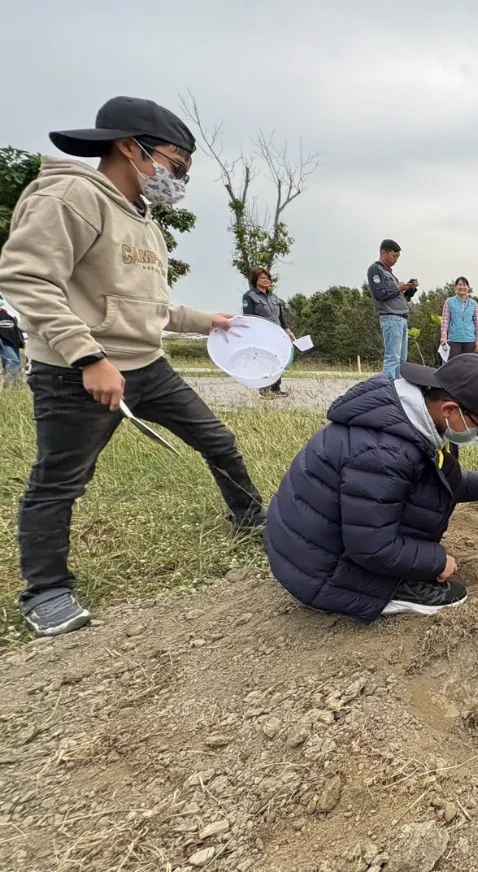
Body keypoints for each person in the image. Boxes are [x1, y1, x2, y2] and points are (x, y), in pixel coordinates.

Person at [0, 96, 266, 638]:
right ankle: (46, 590)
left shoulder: (146, 221)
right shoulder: (70, 195)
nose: (180, 177)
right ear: (129, 146)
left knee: (217, 440)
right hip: (77, 373)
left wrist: (205, 321)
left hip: (147, 366)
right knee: (60, 480)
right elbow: (27, 280)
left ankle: (250, 519)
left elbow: (147, 306)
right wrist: (88, 356)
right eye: (176, 163)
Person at [265, 354, 478, 621]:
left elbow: (441, 485)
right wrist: (434, 561)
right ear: (449, 409)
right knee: (451, 595)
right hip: (317, 572)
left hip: (311, 548)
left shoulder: (412, 421)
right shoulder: (384, 453)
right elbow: (371, 545)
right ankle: (389, 589)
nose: (475, 433)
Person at [241, 266, 294, 397]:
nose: (266, 280)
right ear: (255, 280)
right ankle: (265, 389)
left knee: (279, 361)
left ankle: (275, 388)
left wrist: (288, 330)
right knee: (266, 361)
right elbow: (249, 318)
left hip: (277, 334)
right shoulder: (249, 296)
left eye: (268, 278)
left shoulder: (274, 297)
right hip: (262, 335)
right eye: (262, 278)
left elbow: (281, 317)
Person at [368, 239, 418, 378]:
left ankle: (398, 388)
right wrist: (398, 288)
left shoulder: (390, 273)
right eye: (393, 256)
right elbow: (380, 294)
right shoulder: (376, 270)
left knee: (402, 360)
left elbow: (400, 298)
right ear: (383, 252)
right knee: (393, 358)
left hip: (401, 318)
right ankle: (388, 389)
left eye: (397, 257)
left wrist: (410, 289)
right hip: (390, 317)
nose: (396, 260)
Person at [440, 276, 478, 358]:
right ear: (456, 287)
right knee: (453, 366)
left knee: (469, 366)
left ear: (468, 287)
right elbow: (445, 321)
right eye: (459, 285)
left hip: (470, 340)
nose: (462, 287)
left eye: (464, 285)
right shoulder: (449, 302)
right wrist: (443, 337)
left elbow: (477, 323)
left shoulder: (473, 303)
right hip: (454, 340)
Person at [0, 296, 24, 386]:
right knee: (12, 361)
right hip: (4, 342)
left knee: (15, 362)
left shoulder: (9, 312)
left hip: (13, 341)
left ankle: (14, 385)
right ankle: (12, 385)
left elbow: (16, 327)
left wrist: (21, 341)